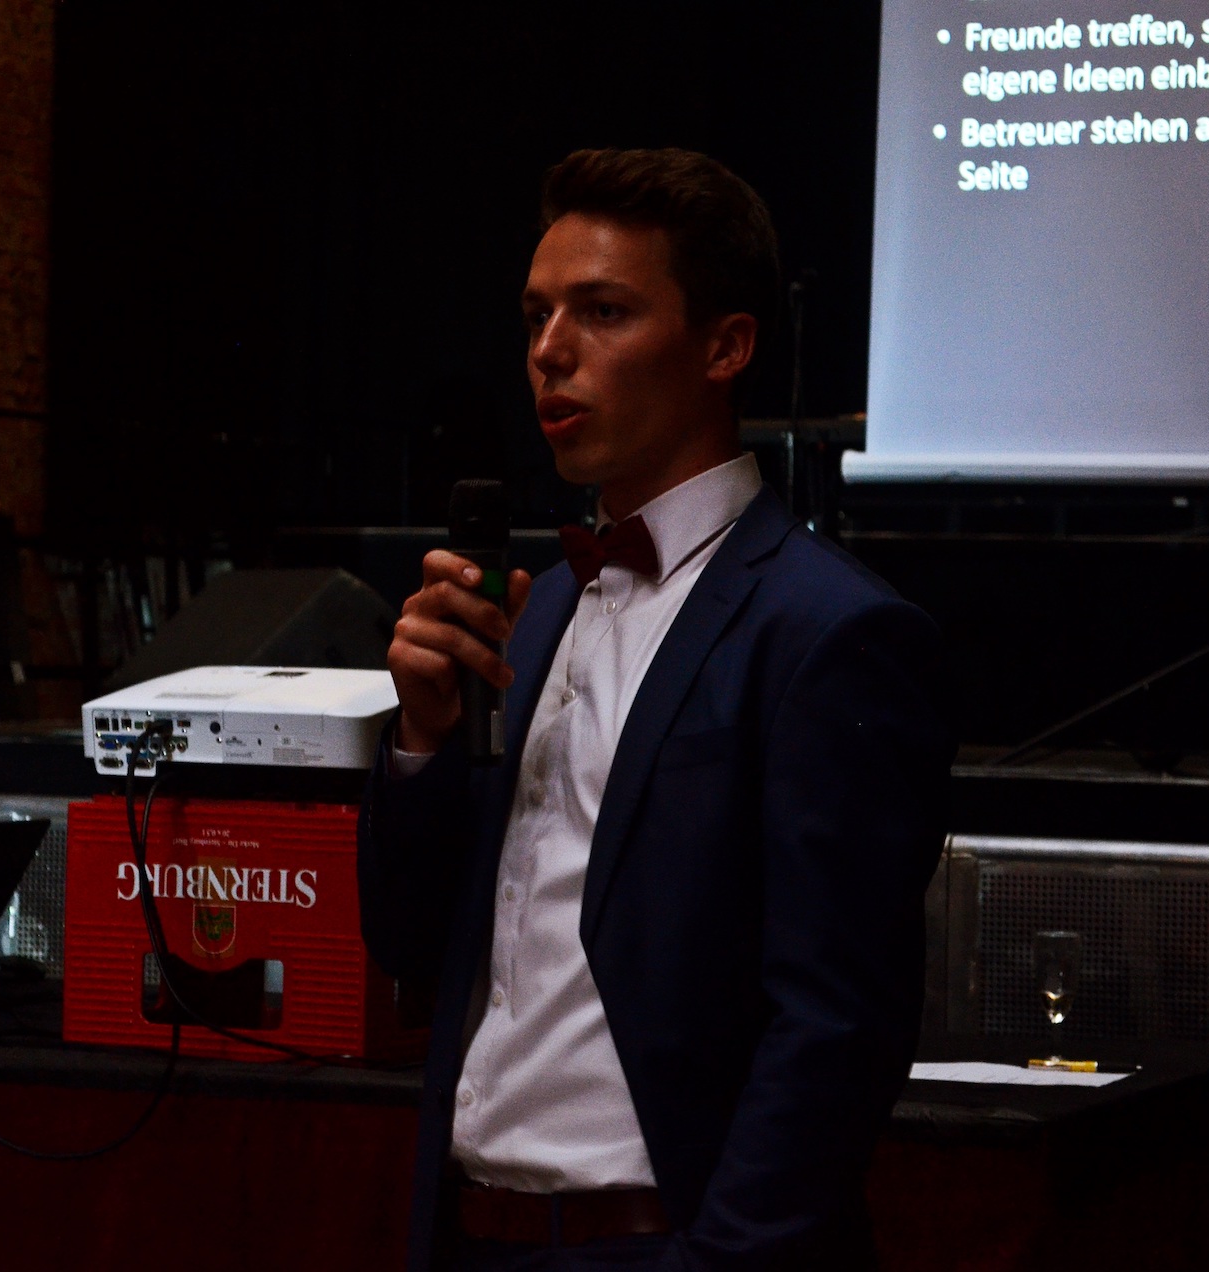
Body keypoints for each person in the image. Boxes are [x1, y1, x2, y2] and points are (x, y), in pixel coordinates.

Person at [357, 147, 955, 1271]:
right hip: (474, 1233)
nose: (549, 351)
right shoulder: (537, 609)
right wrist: (424, 741)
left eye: (603, 311)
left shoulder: (829, 632)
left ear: (725, 348)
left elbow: (838, 1028)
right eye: (537, 315)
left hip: (660, 1244)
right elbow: (409, 947)